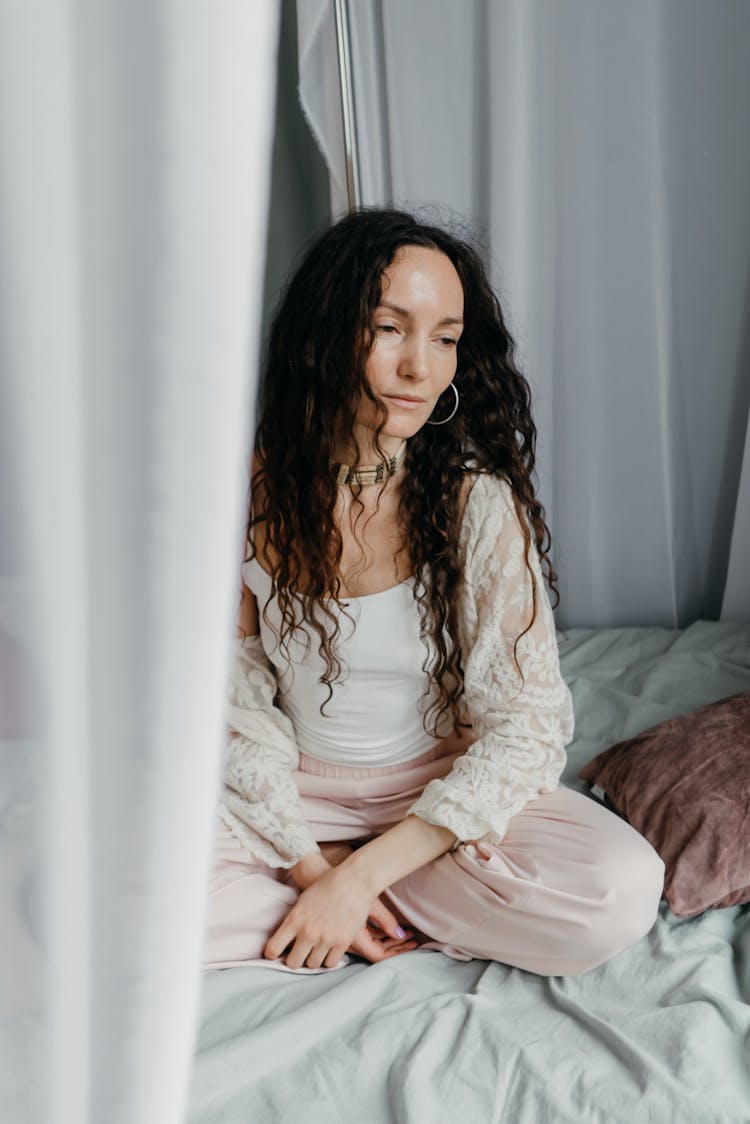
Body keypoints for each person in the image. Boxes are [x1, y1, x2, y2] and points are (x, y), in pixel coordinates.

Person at [202, 208, 664, 977]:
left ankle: (358, 895)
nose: (421, 367)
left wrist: (361, 874)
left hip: (434, 789)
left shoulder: (474, 504)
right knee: (99, 897)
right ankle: (341, 901)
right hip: (296, 790)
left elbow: (525, 726)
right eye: (390, 328)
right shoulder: (240, 495)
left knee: (619, 890)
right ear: (324, 335)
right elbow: (239, 700)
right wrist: (307, 864)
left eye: (445, 338)